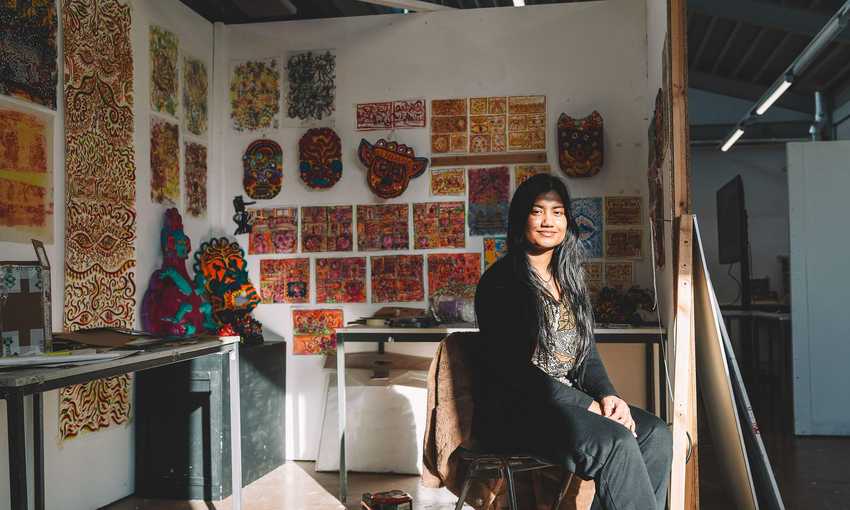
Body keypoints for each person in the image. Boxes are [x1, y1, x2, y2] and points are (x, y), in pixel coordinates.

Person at [473, 173, 672, 510]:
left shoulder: (569, 277)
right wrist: (588, 405)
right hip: (516, 410)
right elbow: (514, 373)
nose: (548, 221)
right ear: (521, 218)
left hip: (565, 404)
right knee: (616, 443)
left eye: (558, 211)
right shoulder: (501, 283)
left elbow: (586, 353)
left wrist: (609, 396)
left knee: (655, 435)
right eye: (537, 211)